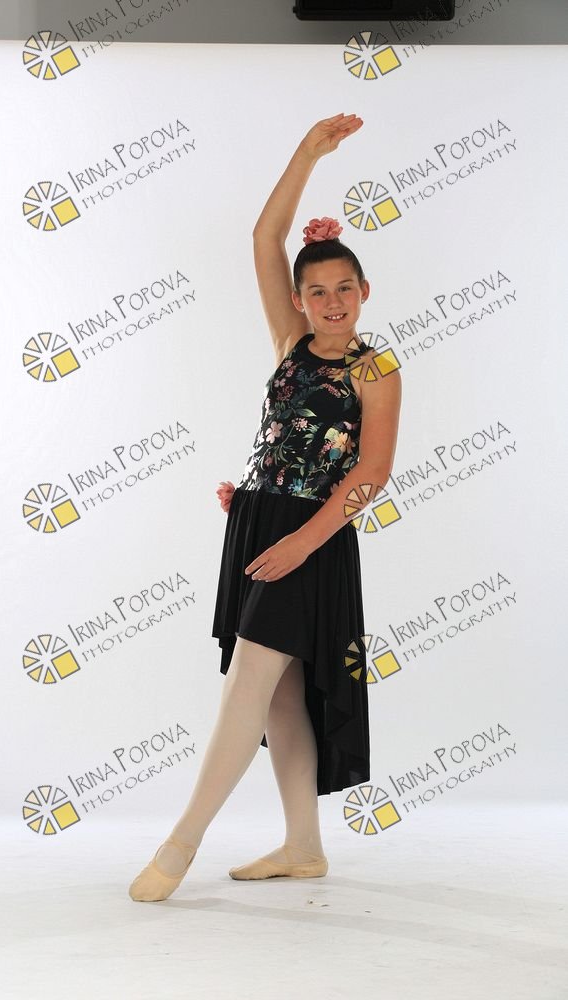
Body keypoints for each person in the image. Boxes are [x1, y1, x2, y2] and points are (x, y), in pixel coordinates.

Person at [128, 112, 402, 903]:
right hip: (261, 522)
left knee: (248, 683)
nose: (331, 301)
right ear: (298, 299)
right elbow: (263, 235)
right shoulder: (288, 342)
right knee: (280, 698)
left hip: (314, 537)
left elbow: (370, 474)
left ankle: (180, 843)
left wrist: (300, 541)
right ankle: (303, 848)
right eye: (316, 290)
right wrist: (306, 154)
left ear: (363, 292)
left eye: (343, 288)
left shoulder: (375, 367)